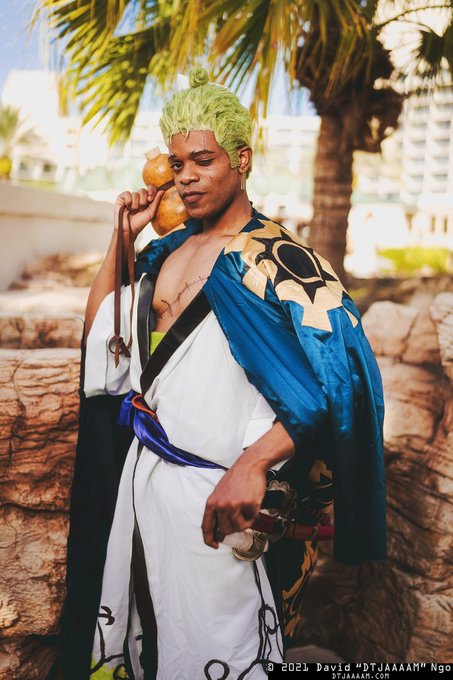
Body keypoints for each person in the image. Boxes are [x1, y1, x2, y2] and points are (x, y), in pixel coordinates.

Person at [60, 67, 386, 680]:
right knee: (146, 643)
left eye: (202, 161)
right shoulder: (165, 250)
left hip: (226, 503)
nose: (185, 177)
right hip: (146, 489)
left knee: (223, 656)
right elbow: (104, 339)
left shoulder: (282, 261)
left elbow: (346, 381)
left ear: (242, 159)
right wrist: (121, 240)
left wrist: (254, 463)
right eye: (177, 163)